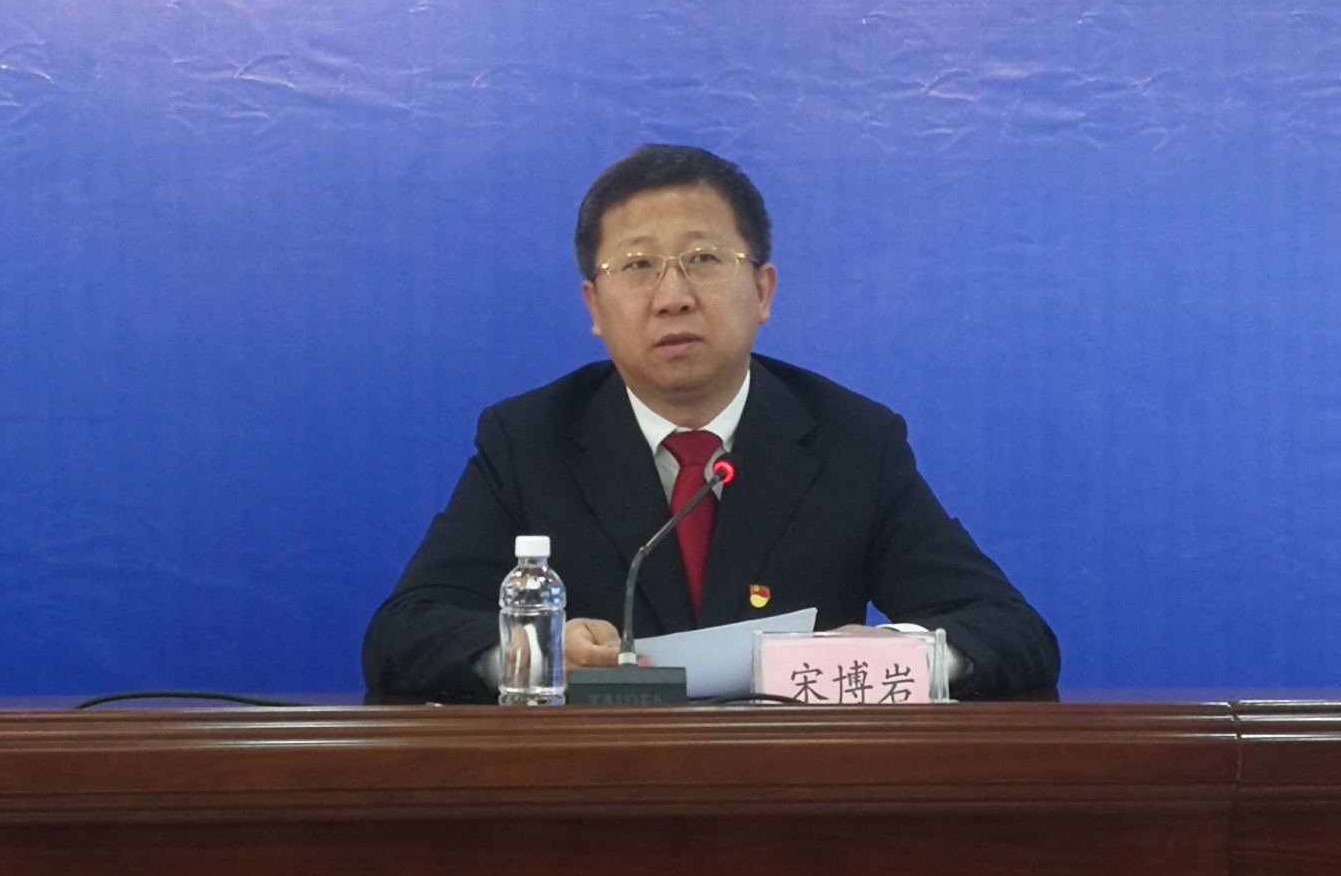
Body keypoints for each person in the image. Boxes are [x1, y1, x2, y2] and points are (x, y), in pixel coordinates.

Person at [363, 145, 1059, 702]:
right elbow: (403, 634)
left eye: (702, 259)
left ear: (762, 290)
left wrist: (908, 654)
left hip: (793, 803)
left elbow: (1012, 630)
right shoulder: (528, 440)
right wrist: (531, 653)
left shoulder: (853, 440)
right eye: (637, 265)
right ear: (594, 307)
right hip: (593, 799)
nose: (673, 296)